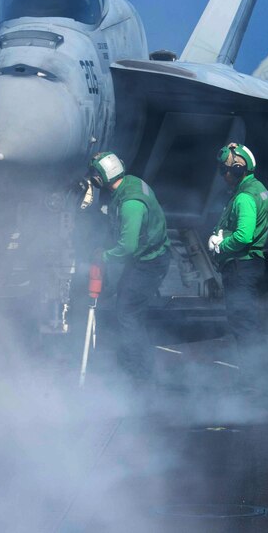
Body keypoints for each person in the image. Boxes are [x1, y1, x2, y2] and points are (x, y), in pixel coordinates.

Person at [87, 151, 171, 382]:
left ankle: (140, 371)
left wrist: (103, 256)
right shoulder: (131, 183)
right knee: (126, 305)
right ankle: (134, 361)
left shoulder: (131, 204)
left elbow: (127, 248)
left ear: (101, 178)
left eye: (95, 175)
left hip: (149, 263)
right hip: (144, 260)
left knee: (128, 313)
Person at [208, 142, 268, 386]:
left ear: (237, 170)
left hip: (241, 267)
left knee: (244, 326)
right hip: (250, 265)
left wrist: (220, 246)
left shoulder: (244, 198)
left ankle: (258, 383)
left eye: (223, 170)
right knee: (249, 323)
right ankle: (260, 379)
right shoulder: (259, 189)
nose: (222, 175)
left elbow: (244, 236)